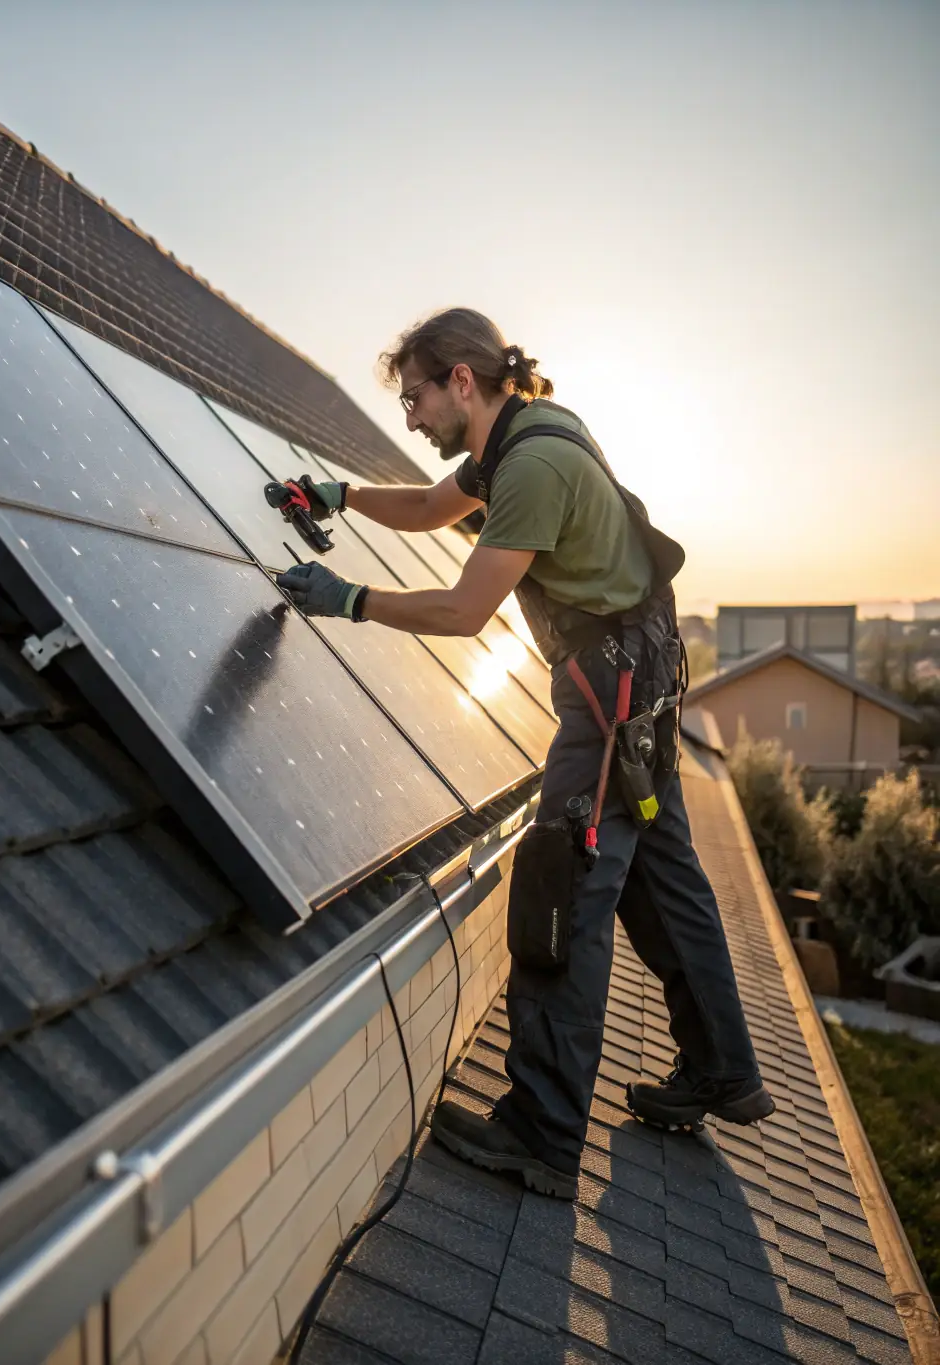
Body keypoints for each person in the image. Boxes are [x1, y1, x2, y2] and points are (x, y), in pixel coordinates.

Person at [276, 308, 774, 1200]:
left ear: (461, 380)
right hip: (643, 677)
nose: (411, 417)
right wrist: (340, 495)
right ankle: (724, 1069)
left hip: (610, 693)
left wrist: (348, 597)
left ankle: (541, 1132)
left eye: (416, 396)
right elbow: (433, 509)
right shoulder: (526, 436)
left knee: (564, 888)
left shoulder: (533, 464)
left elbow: (467, 611)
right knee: (667, 878)